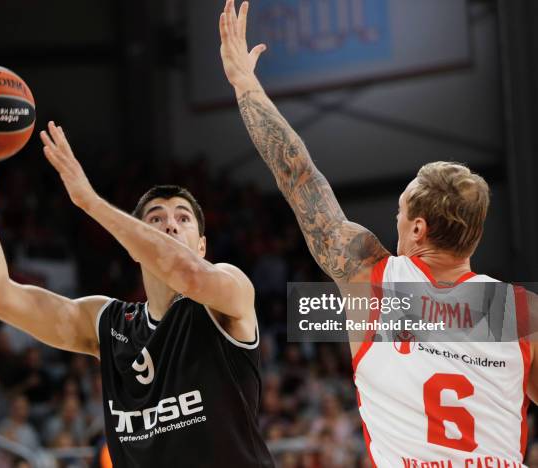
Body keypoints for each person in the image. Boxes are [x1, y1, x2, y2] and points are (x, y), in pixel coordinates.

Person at [219, 0, 537, 465]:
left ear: (419, 228)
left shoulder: (371, 282)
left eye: (400, 213)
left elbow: (300, 177)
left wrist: (247, 87)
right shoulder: (522, 314)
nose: (395, 222)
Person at [0, 123, 274, 467]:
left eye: (183, 218)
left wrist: (90, 202)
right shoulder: (109, 325)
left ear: (203, 246)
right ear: (135, 246)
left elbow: (188, 274)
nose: (170, 224)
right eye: (155, 219)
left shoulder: (229, 293)